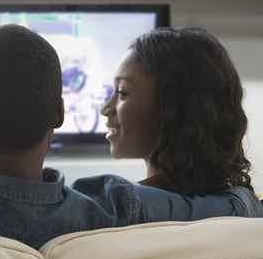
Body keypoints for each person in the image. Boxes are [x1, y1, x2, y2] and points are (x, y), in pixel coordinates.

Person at [0, 25, 261, 250]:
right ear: (59, 114)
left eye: (121, 93)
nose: (107, 107)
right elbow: (233, 208)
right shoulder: (120, 209)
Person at [73, 27, 263, 219]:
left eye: (123, 92)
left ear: (172, 107)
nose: (106, 109)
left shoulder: (114, 208)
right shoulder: (244, 207)